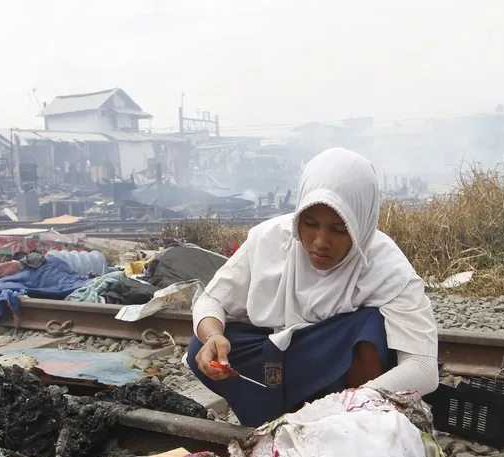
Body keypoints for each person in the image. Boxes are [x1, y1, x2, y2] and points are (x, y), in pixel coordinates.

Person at [187, 147, 439, 427]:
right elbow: (211, 300)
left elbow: (423, 368)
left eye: (339, 230)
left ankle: (352, 428)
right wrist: (213, 337)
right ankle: (276, 421)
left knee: (371, 327)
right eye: (310, 224)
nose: (320, 241)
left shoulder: (387, 267)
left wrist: (353, 401)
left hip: (339, 383)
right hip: (282, 363)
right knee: (202, 342)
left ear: (361, 225)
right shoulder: (270, 240)